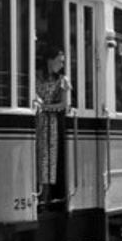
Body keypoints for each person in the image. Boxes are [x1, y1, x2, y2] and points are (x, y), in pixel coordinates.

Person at [35, 46, 71, 203]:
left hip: (50, 123)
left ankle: (45, 196)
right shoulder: (34, 76)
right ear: (50, 60)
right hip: (37, 121)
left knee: (49, 159)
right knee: (38, 155)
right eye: (60, 61)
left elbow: (64, 104)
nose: (62, 65)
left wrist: (43, 107)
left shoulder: (62, 80)